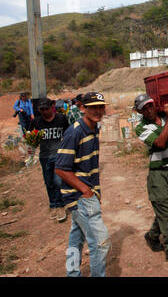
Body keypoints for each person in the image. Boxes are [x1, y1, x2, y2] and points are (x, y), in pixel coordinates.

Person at [55, 92, 111, 277]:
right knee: (100, 243)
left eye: (100, 107)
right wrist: (86, 190)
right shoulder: (75, 131)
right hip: (80, 195)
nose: (98, 111)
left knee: (76, 238)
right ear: (82, 108)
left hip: (85, 192)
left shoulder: (94, 128)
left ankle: (72, 273)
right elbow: (61, 168)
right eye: (93, 107)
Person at [134, 93, 168, 265]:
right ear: (139, 111)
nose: (148, 110)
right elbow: (160, 143)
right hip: (158, 175)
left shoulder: (165, 117)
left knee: (165, 210)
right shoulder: (141, 127)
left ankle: (152, 236)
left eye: (149, 105)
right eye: (144, 108)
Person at [29, 98, 69, 222]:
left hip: (59, 155)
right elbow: (32, 137)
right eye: (42, 109)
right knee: (49, 182)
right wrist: (31, 147)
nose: (44, 112)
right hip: (45, 156)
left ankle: (60, 205)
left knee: (58, 181)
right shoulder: (36, 121)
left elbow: (68, 134)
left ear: (52, 107)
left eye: (46, 109)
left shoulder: (61, 119)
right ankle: (53, 205)